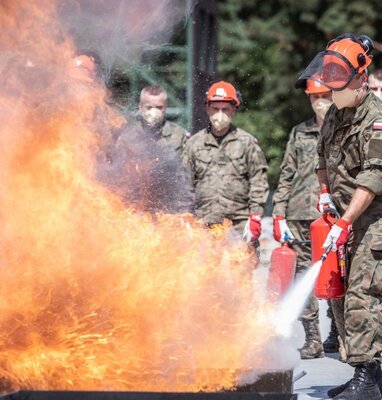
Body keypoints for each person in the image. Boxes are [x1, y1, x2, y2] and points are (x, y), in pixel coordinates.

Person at [297, 33, 382, 400]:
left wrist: (345, 222)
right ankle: (369, 373)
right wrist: (326, 195)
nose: (331, 92)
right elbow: (321, 158)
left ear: (361, 78)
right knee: (338, 297)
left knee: (363, 295)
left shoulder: (380, 121)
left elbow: (373, 179)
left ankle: (367, 382)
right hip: (343, 218)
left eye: (337, 84)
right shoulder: (335, 115)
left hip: (374, 218)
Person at [272, 79, 333, 359]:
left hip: (333, 215)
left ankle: (339, 336)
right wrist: (279, 214)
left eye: (324, 95)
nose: (319, 101)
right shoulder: (300, 133)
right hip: (299, 214)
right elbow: (286, 174)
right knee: (301, 277)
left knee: (336, 274)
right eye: (314, 97)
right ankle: (312, 339)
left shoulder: (343, 129)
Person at [182, 81, 269, 244]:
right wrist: (186, 217)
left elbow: (259, 181)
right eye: (215, 109)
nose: (219, 114)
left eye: (225, 109)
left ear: (234, 110)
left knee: (241, 268)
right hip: (203, 226)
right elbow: (184, 184)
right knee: (204, 270)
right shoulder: (193, 144)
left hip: (238, 225)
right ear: (207, 108)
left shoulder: (247, 143)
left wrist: (255, 217)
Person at [136, 85, 190, 158]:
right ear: (140, 107)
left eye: (159, 107)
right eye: (149, 107)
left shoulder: (180, 135)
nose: (154, 112)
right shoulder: (127, 134)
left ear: (166, 106)